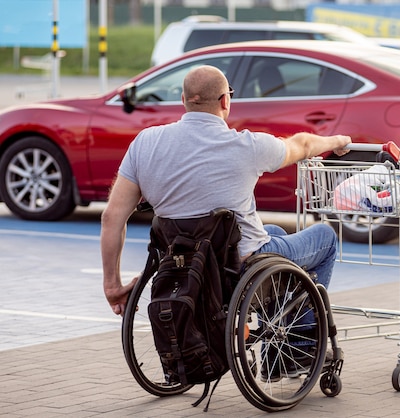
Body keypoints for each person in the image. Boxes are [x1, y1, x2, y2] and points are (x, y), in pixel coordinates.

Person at [101, 64, 351, 317]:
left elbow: (112, 217)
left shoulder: (145, 142)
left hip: (182, 265)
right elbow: (304, 144)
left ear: (183, 100)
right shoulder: (246, 146)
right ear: (225, 100)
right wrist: (337, 141)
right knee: (324, 237)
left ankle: (278, 328)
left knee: (272, 232)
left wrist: (112, 286)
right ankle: (300, 341)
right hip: (236, 267)